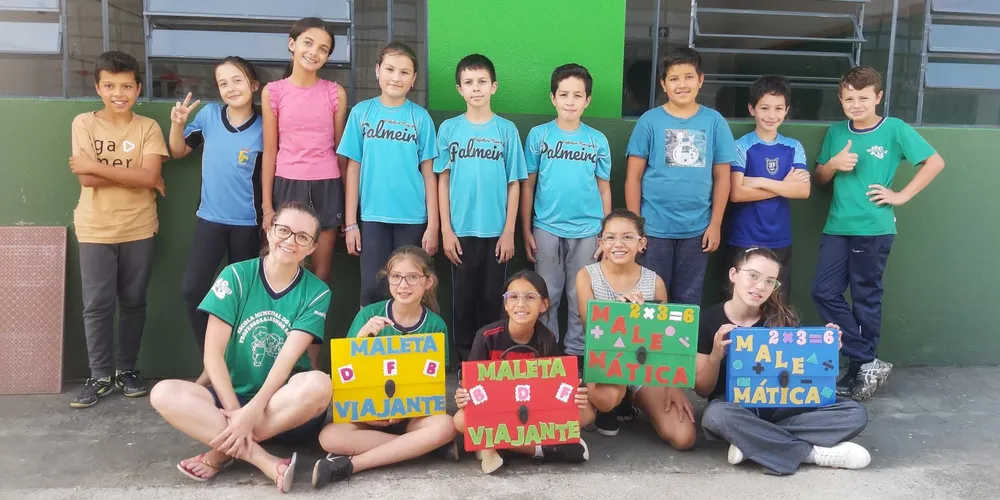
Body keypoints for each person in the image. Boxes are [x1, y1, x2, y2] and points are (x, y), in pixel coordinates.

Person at [149, 202, 334, 493]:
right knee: (163, 393)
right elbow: (212, 354)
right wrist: (237, 412)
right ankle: (263, 461)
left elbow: (286, 359)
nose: (290, 241)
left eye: (302, 237)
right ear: (270, 232)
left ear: (312, 247)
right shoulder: (235, 276)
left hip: (285, 408)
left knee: (320, 384)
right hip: (229, 400)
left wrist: (251, 414)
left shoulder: (317, 291)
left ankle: (222, 451)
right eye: (284, 231)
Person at [811, 66, 945, 400]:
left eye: (863, 98)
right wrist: (833, 165)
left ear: (878, 98)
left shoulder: (894, 129)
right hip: (837, 227)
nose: (856, 104)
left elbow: (935, 162)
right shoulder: (836, 133)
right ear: (841, 101)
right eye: (849, 99)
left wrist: (900, 195)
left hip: (873, 228)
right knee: (823, 292)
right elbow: (820, 178)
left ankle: (859, 370)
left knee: (865, 300)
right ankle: (868, 360)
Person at [697, 247, 871, 475]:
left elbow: (801, 375)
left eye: (770, 282)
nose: (760, 286)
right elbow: (702, 389)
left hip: (785, 405)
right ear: (733, 274)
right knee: (714, 416)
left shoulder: (781, 318)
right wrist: (715, 355)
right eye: (753, 276)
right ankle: (811, 454)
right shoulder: (710, 320)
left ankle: (754, 441)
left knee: (855, 413)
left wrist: (824, 351)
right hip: (734, 406)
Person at [68, 50, 168, 408]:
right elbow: (84, 177)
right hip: (95, 228)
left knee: (133, 302)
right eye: (109, 85)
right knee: (96, 305)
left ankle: (127, 370)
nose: (118, 93)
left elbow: (150, 175)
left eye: (126, 85)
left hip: (139, 227)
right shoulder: (84, 123)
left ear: (138, 88)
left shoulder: (148, 128)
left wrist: (101, 169)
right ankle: (99, 376)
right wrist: (138, 178)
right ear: (98, 87)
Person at [312, 246, 455, 488]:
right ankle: (418, 447)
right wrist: (361, 337)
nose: (403, 285)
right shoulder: (369, 315)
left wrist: (407, 411)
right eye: (396, 277)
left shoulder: (435, 324)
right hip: (369, 416)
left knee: (446, 426)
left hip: (413, 416)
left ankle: (352, 464)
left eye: (412, 277)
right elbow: (345, 375)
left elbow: (436, 383)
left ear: (428, 281)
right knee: (328, 437)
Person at [169, 57, 265, 386]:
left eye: (237, 80)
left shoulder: (266, 127)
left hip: (249, 226)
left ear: (254, 85)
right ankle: (211, 362)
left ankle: (237, 371)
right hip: (209, 220)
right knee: (193, 288)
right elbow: (178, 151)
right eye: (223, 83)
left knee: (243, 301)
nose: (230, 88)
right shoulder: (209, 116)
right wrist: (178, 124)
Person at [262, 17, 348, 368]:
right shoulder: (274, 91)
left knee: (321, 274)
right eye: (309, 43)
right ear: (292, 44)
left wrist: (348, 207)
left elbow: (342, 151)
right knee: (281, 270)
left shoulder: (334, 93)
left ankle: (310, 362)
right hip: (288, 186)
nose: (315, 52)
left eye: (324, 48)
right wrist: (268, 205)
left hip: (327, 186)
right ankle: (274, 358)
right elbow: (270, 150)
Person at [624, 47, 737, 307]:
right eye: (674, 79)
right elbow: (633, 177)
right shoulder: (649, 121)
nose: (681, 85)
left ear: (700, 80)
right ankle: (650, 349)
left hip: (697, 229)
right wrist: (636, 229)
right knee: (651, 299)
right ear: (663, 84)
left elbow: (722, 177)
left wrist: (715, 223)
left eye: (688, 77)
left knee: (688, 300)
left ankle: (684, 350)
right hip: (653, 229)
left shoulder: (714, 121)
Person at [575, 210, 697, 448]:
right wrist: (621, 315)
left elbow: (666, 337)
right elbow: (589, 327)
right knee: (606, 399)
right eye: (610, 238)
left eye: (628, 237)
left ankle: (635, 398)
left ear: (642, 243)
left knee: (684, 437)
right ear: (600, 243)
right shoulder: (587, 276)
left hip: (645, 366)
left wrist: (673, 384)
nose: (618, 244)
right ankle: (617, 401)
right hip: (606, 362)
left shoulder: (655, 282)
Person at [453, 270, 594, 474]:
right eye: (513, 297)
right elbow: (470, 385)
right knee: (460, 420)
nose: (520, 304)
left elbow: (561, 384)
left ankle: (496, 445)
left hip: (533, 410)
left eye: (530, 297)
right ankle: (539, 449)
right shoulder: (486, 337)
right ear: (505, 304)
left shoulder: (547, 338)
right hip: (497, 411)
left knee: (587, 411)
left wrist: (576, 395)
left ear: (544, 305)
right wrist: (462, 395)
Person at [436, 54, 527, 362]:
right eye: (469, 83)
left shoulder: (506, 130)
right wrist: (446, 230)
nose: (476, 88)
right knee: (462, 301)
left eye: (482, 82)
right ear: (459, 89)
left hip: (496, 233)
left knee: (492, 301)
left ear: (494, 86)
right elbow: (443, 181)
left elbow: (515, 182)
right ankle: (465, 362)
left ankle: (489, 362)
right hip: (460, 232)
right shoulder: (449, 129)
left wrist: (509, 232)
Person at [520, 63, 612, 361]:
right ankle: (546, 352)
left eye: (577, 95)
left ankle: (575, 355)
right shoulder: (538, 136)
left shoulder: (597, 140)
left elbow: (604, 189)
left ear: (587, 100)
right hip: (546, 226)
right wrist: (525, 229)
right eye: (563, 94)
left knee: (580, 294)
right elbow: (528, 186)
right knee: (547, 293)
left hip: (588, 230)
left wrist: (606, 235)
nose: (570, 101)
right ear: (553, 98)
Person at [338, 41, 439, 307]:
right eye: (390, 69)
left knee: (411, 289)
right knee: (373, 288)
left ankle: (408, 344)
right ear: (377, 71)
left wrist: (433, 225)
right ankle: (370, 344)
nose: (396, 77)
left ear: (414, 79)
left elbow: (429, 175)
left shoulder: (421, 118)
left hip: (413, 218)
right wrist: (351, 223)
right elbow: (353, 169)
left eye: (404, 72)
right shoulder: (362, 113)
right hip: (373, 217)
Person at [726, 75, 811, 299]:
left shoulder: (793, 147)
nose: (771, 115)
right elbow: (737, 193)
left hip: (780, 239)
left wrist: (760, 181)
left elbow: (802, 190)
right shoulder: (741, 146)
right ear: (752, 109)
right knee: (743, 301)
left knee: (777, 303)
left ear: (787, 110)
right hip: (744, 237)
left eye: (778, 108)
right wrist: (784, 186)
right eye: (764, 108)